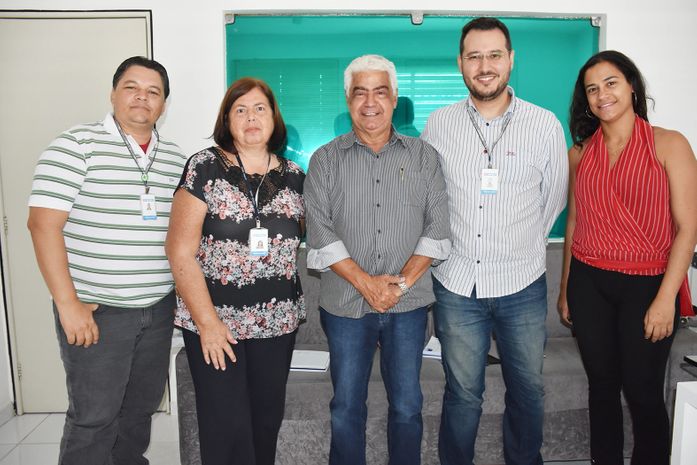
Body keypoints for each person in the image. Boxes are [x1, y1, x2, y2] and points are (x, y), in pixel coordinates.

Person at [421, 17, 568, 465]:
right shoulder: (439, 124)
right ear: (460, 63)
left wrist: (518, 245)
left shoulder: (544, 125)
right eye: (474, 56)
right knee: (463, 393)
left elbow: (554, 199)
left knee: (528, 390)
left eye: (494, 55)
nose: (484, 66)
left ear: (511, 59)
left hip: (522, 283)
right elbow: (429, 198)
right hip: (456, 283)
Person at [27, 56, 185, 465]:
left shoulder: (174, 158)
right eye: (132, 87)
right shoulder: (75, 145)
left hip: (157, 309)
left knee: (139, 412)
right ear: (113, 93)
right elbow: (42, 226)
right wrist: (68, 305)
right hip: (98, 312)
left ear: (164, 104)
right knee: (94, 418)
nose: (142, 97)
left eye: (153, 92)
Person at [304, 54, 451, 465]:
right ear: (347, 99)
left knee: (407, 405)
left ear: (395, 98)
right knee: (346, 406)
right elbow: (319, 231)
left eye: (380, 92)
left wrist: (398, 285)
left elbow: (438, 227)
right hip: (345, 304)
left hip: (408, 304)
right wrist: (368, 285)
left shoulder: (424, 156)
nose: (370, 102)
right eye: (360, 92)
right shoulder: (325, 160)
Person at [557, 50, 697, 465]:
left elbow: (688, 228)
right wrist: (565, 289)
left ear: (632, 85)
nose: (602, 95)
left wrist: (665, 300)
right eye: (592, 89)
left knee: (643, 391)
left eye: (611, 83)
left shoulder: (669, 144)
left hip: (648, 285)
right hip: (589, 283)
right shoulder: (579, 153)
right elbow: (574, 223)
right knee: (601, 387)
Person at [165, 77, 305, 465]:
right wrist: (207, 324)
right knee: (225, 427)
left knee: (265, 422)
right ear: (227, 120)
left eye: (260, 109)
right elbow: (179, 251)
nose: (251, 117)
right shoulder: (204, 167)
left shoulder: (295, 175)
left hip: (277, 324)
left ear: (274, 118)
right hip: (216, 324)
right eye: (240, 110)